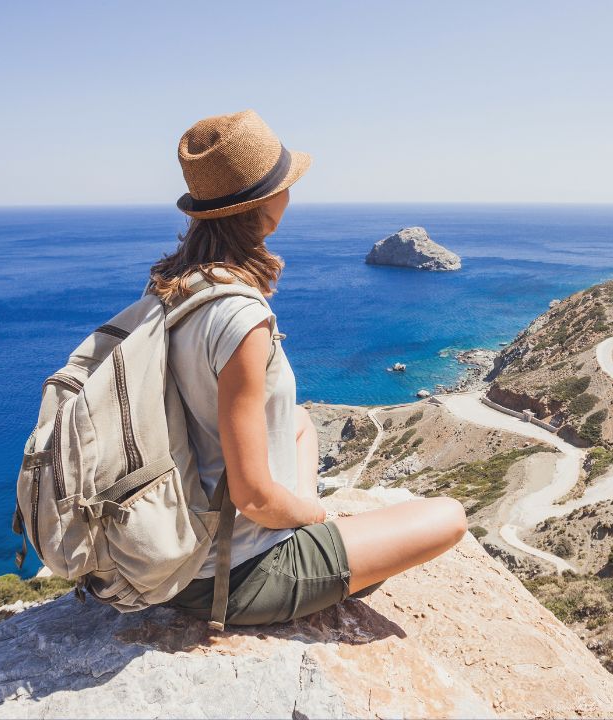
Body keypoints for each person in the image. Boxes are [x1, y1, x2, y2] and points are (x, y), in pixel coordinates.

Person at [152, 110, 467, 626]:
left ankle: (294, 529)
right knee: (448, 517)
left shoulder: (173, 287)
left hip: (180, 544)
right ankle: (299, 539)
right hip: (233, 574)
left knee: (298, 422)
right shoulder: (242, 317)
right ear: (266, 204)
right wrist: (315, 515)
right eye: (287, 182)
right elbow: (253, 496)